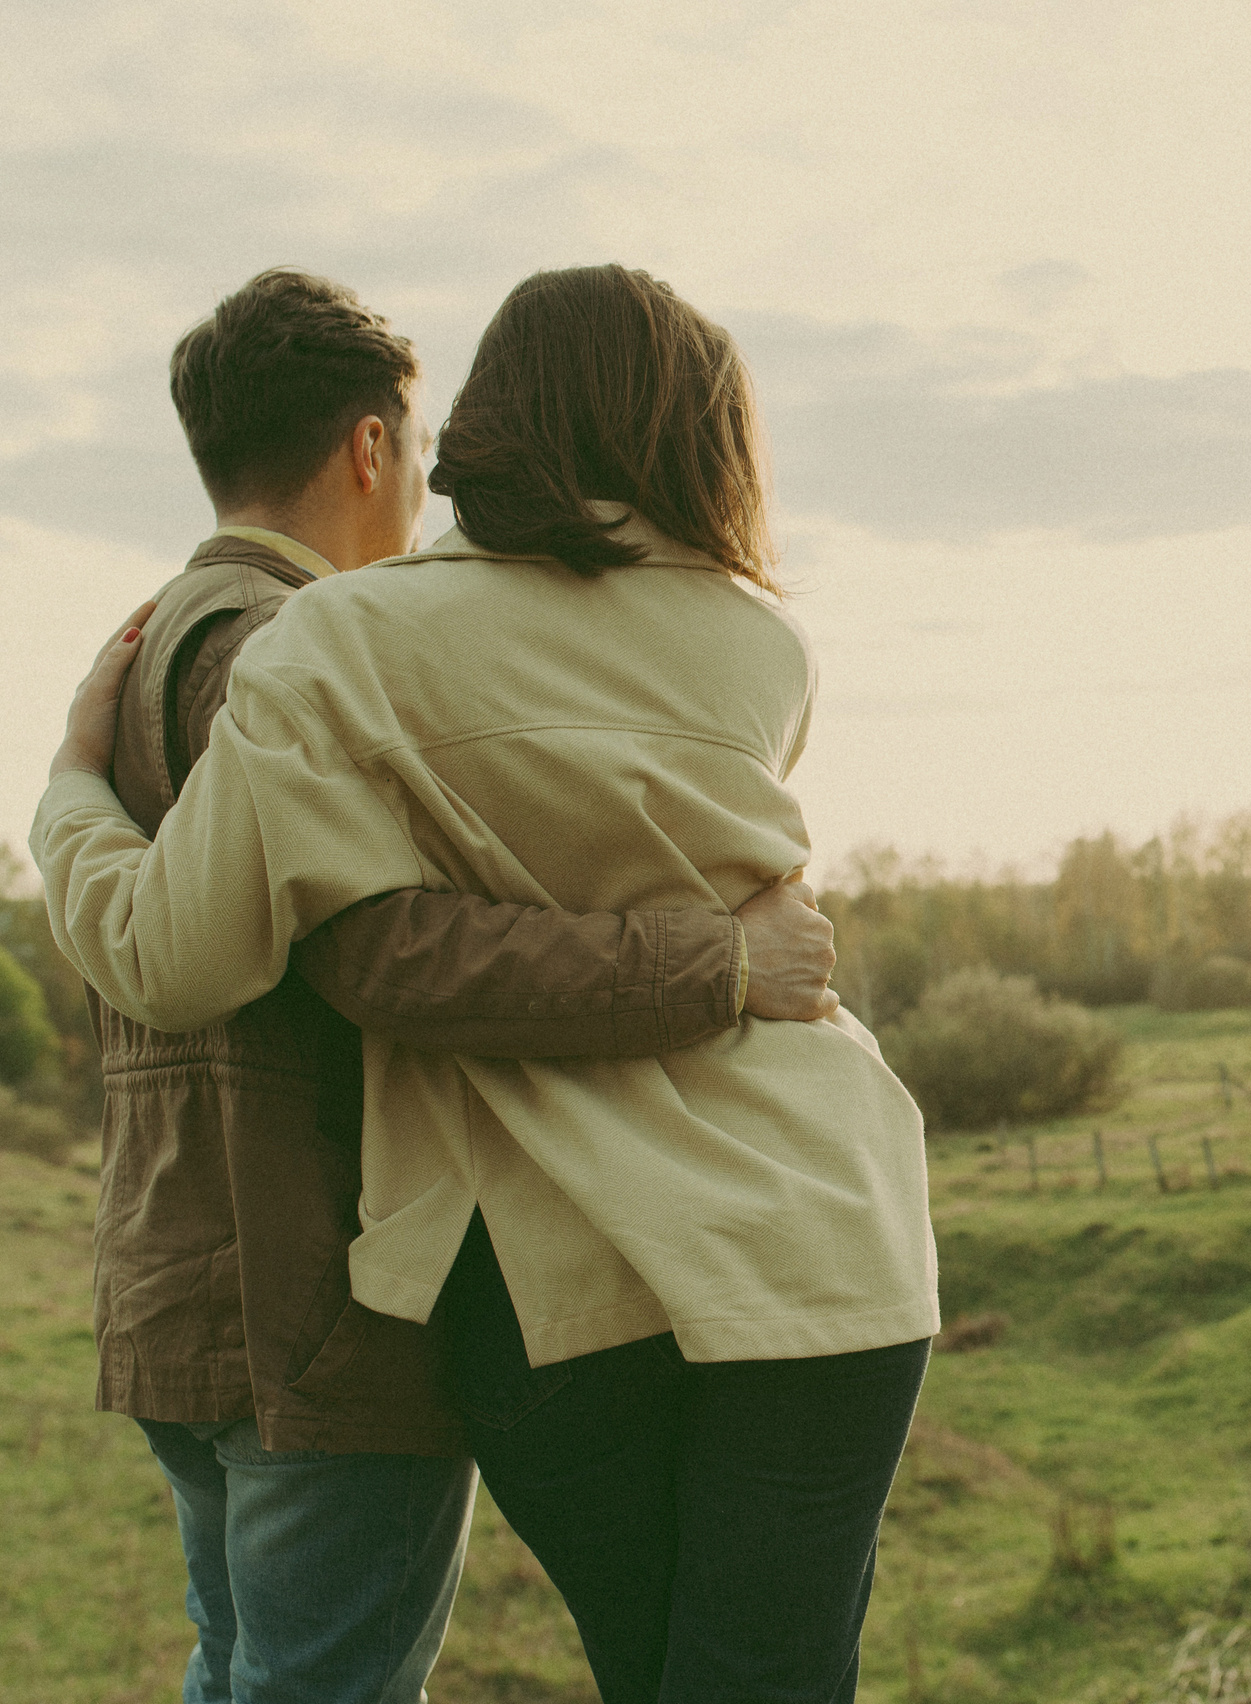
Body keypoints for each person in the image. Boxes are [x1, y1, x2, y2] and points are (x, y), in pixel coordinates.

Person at [38, 263, 940, 1704]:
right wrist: (728, 959)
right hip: (815, 1234)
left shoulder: (342, 641)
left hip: (541, 1280)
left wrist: (69, 799)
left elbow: (180, 954)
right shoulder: (767, 648)